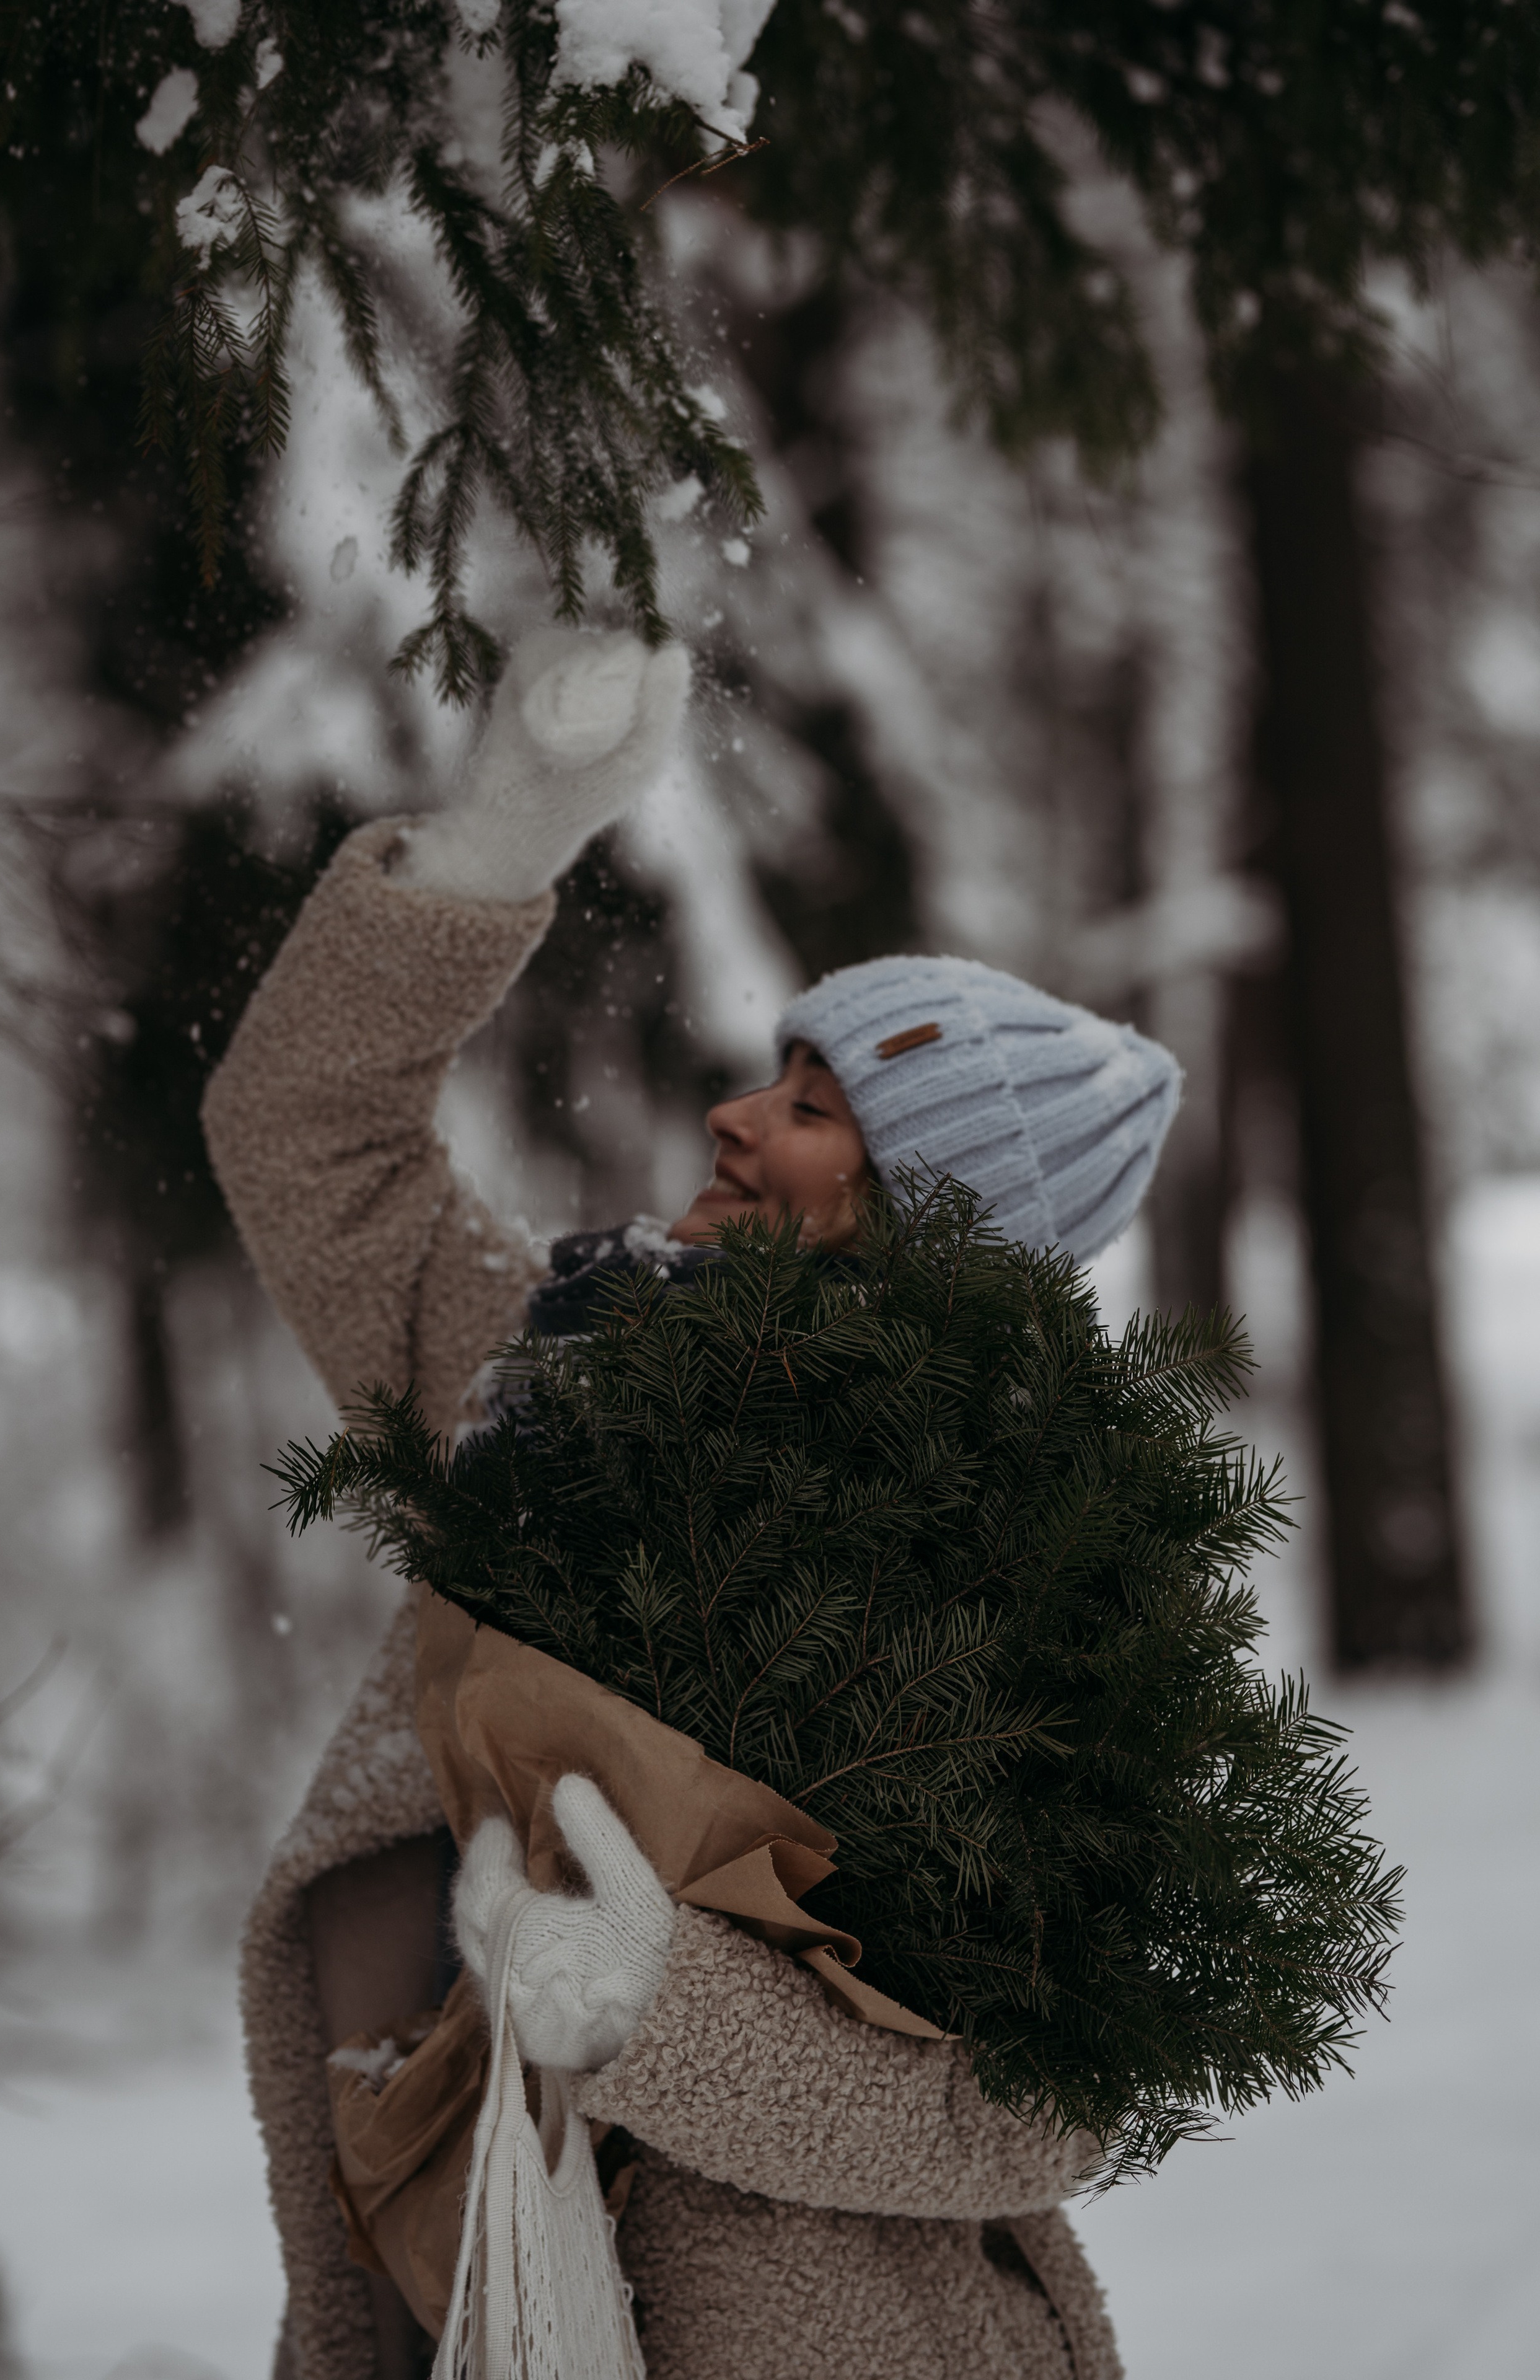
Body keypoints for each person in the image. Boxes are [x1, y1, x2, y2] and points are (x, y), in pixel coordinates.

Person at [203, 627, 1181, 2380]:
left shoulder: (1020, 1591)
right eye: (772, 1077)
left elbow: (1047, 2104)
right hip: (467, 2299)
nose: (735, 1120)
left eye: (817, 1113)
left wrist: (651, 2016)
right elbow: (305, 1131)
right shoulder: (547, 1390)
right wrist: (502, 841)